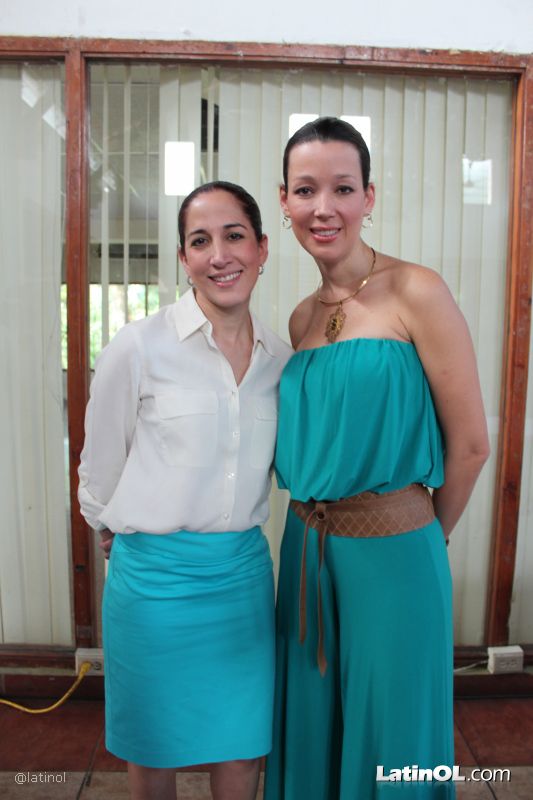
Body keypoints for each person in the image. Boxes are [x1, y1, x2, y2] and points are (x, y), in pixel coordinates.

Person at [264, 117, 490, 799]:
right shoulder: (301, 319)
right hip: (307, 553)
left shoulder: (416, 289)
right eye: (306, 190)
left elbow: (471, 444)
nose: (323, 207)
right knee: (312, 726)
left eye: (342, 188)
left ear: (369, 196)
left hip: (395, 555)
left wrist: (419, 537)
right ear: (284, 201)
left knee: (395, 734)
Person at [78, 180, 292, 800]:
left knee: (242, 750)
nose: (219, 255)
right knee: (155, 754)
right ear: (183, 258)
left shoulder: (281, 361)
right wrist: (116, 530)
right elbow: (99, 469)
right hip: (154, 589)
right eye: (200, 241)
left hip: (241, 583)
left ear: (261, 248)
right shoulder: (138, 347)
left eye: (234, 236)